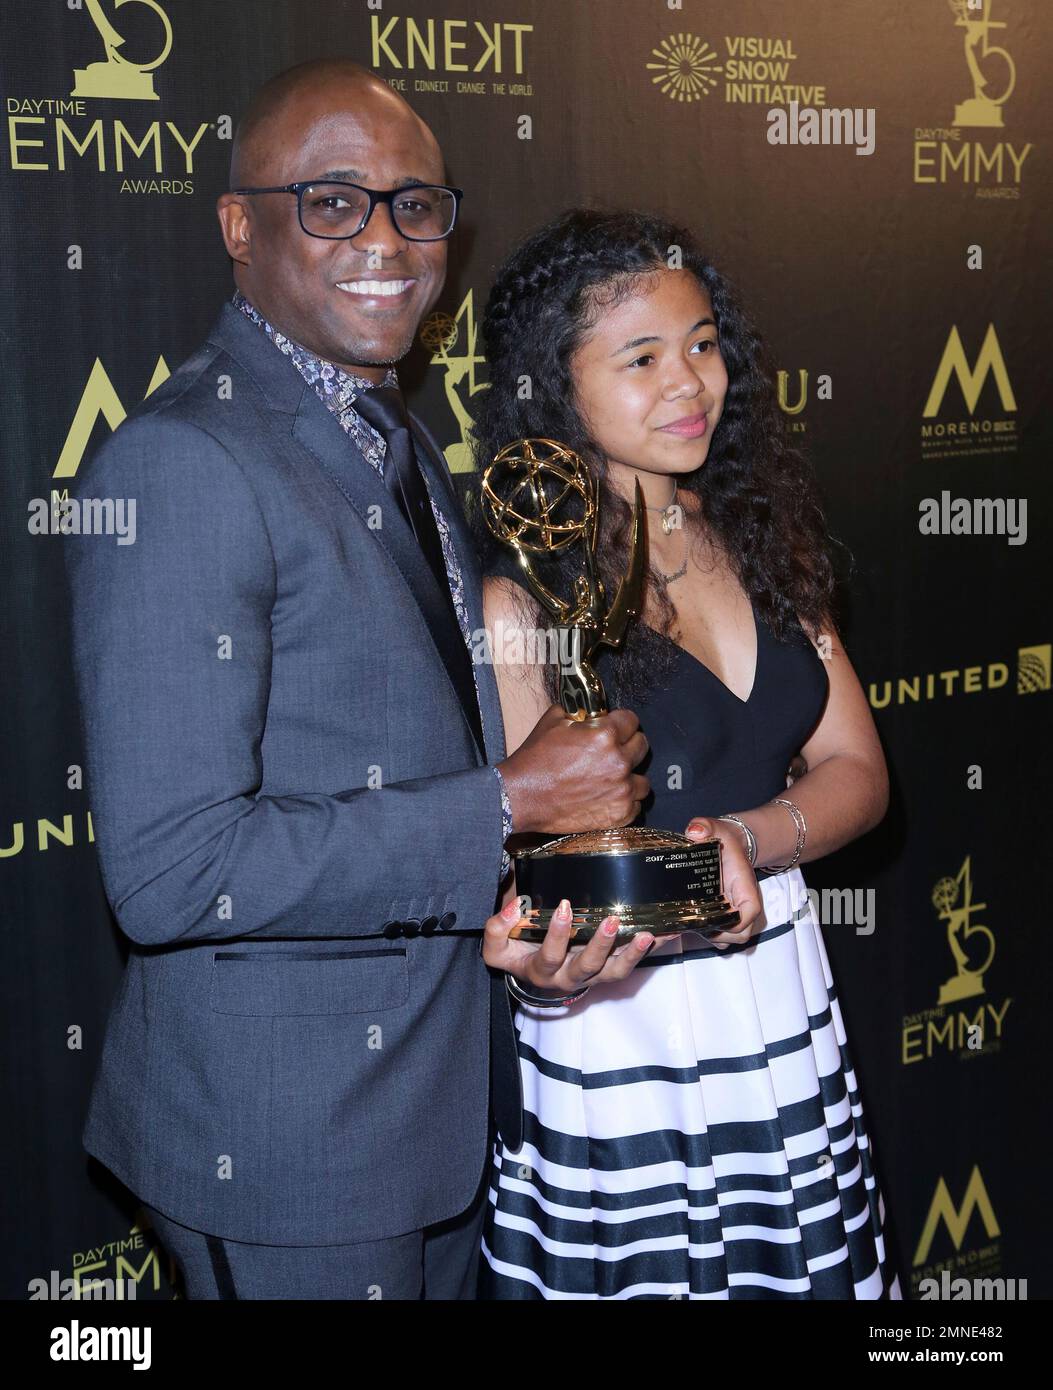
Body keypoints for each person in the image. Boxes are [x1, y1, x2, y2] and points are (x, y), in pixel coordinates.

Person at [63, 62, 654, 1301]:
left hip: (431, 1115)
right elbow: (173, 870)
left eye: (415, 204)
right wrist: (507, 803)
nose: (387, 241)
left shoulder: (389, 430)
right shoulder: (185, 465)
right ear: (241, 225)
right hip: (289, 1153)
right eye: (332, 201)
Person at [471, 209, 903, 1299]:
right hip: (627, 1038)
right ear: (557, 383)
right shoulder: (520, 597)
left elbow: (857, 766)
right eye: (643, 357)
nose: (690, 382)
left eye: (704, 344)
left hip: (785, 1002)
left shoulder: (762, 532)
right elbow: (534, 870)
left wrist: (744, 844)